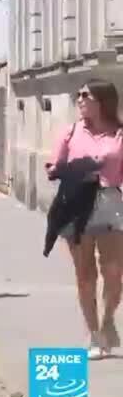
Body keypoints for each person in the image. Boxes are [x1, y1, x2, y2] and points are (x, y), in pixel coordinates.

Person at [46, 80, 123, 359]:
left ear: (102, 100)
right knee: (85, 274)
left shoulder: (119, 134)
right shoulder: (71, 132)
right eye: (77, 94)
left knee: (114, 273)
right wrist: (62, 170)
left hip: (111, 202)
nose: (79, 99)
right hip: (77, 205)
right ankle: (93, 335)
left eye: (85, 95)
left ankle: (108, 320)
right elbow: (54, 166)